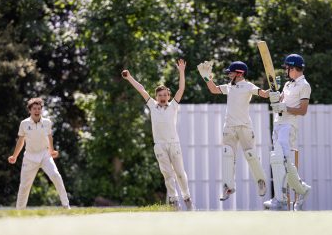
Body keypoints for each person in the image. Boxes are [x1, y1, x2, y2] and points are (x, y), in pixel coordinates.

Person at [122, 59, 194, 210]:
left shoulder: (173, 106)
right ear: (156, 96)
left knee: (180, 173)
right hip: (160, 146)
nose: (162, 97)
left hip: (174, 144)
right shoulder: (152, 106)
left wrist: (181, 71)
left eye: (164, 95)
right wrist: (129, 78)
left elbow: (181, 89)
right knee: (168, 174)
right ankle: (174, 202)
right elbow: (141, 89)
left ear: (168, 95)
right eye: (159, 95)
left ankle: (187, 198)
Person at [197, 60, 270, 201]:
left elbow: (264, 94)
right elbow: (213, 89)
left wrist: (272, 90)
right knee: (227, 154)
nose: (229, 74)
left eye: (231, 72)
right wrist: (206, 77)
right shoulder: (229, 87)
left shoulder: (248, 86)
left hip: (244, 126)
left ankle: (261, 181)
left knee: (250, 154)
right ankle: (228, 187)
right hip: (229, 126)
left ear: (240, 73)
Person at [263, 54, 312, 211]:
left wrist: (285, 108)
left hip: (289, 125)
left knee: (280, 159)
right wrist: (275, 99)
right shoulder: (287, 85)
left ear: (294, 68)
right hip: (278, 123)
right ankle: (301, 189)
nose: (286, 71)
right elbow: (280, 102)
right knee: (279, 160)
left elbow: (303, 111)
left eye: (287, 68)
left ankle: (281, 199)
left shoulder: (304, 85)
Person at [8, 98, 70, 209]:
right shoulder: (24, 123)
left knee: (56, 176)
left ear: (41, 110)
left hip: (45, 155)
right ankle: (19, 211)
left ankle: (66, 205)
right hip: (30, 157)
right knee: (24, 186)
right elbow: (21, 141)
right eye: (34, 109)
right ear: (30, 110)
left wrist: (51, 150)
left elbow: (49, 137)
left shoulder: (47, 122)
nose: (37, 111)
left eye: (39, 109)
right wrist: (14, 156)